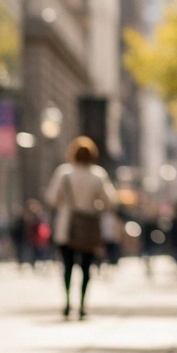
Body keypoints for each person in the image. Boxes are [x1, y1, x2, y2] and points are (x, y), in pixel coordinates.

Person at [46, 137, 117, 319]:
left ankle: (68, 300)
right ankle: (83, 303)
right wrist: (94, 207)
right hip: (89, 228)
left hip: (67, 226)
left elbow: (52, 198)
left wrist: (67, 204)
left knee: (68, 266)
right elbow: (110, 201)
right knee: (86, 267)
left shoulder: (64, 173)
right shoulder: (97, 175)